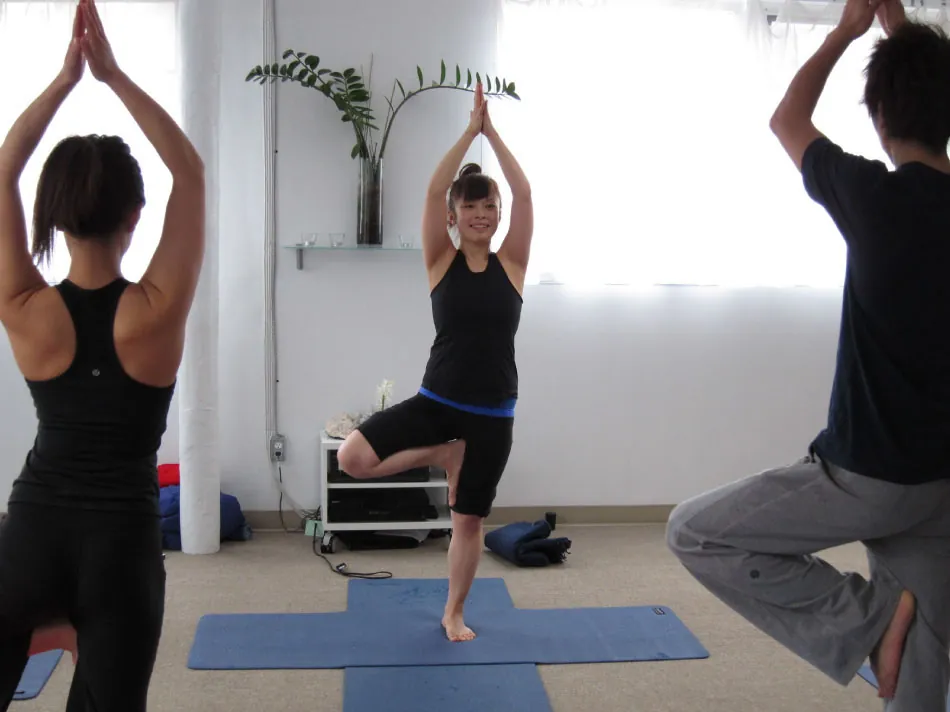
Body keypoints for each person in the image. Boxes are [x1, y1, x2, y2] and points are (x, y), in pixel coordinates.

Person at [666, 0, 950, 708]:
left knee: (696, 534)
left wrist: (849, 30)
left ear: (880, 115)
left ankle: (869, 620)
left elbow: (787, 120)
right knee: (921, 665)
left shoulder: (872, 197)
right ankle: (892, 632)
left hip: (866, 477)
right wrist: (906, 46)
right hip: (943, 483)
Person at [0, 0, 205, 708]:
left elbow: (2, 170)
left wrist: (64, 81)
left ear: (53, 213)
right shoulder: (155, 312)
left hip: (29, 535)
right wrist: (111, 76)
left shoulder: (28, 310)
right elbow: (191, 172)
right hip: (121, 547)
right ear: (134, 215)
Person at [337, 82, 533, 642]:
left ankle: (454, 611)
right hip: (436, 401)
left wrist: (493, 135)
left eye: (487, 205)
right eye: (468, 206)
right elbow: (429, 194)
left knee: (467, 520)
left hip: (493, 413)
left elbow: (525, 192)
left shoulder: (513, 264)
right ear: (453, 216)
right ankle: (445, 454)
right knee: (353, 457)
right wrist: (468, 132)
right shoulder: (440, 261)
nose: (480, 213)